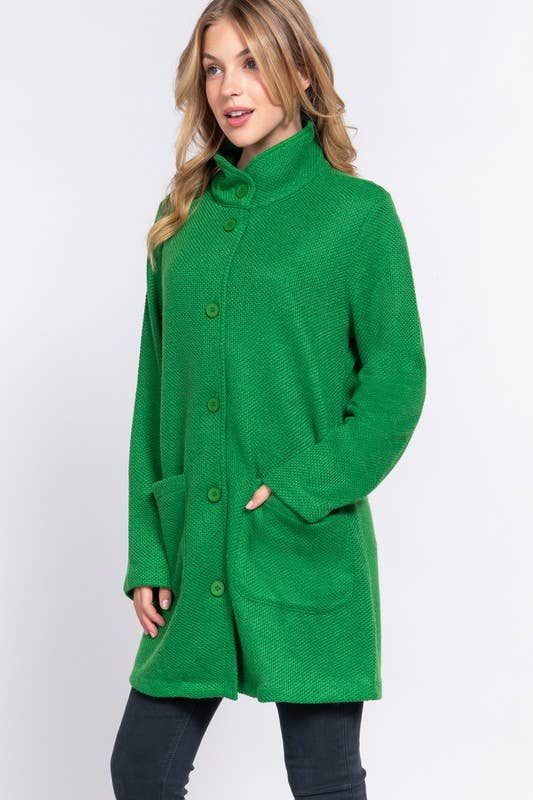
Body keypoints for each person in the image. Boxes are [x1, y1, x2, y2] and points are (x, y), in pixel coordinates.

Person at [110, 0, 427, 797]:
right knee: (141, 768)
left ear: (302, 70)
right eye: (214, 68)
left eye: (251, 62)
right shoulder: (181, 217)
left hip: (301, 539)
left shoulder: (356, 215)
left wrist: (300, 489)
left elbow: (394, 387)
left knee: (322, 778)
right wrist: (149, 547)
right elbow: (154, 391)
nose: (229, 88)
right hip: (194, 543)